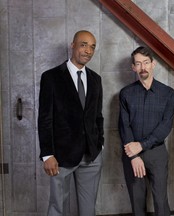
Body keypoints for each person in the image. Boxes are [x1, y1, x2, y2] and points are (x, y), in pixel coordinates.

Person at [38, 30, 104, 216]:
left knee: (88, 210)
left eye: (92, 47)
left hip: (91, 156)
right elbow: (45, 119)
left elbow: (97, 116)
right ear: (73, 45)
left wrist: (100, 144)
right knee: (58, 208)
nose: (88, 50)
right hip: (61, 157)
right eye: (83, 44)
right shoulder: (51, 77)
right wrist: (47, 154)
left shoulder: (96, 79)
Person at [118, 46, 174, 216]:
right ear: (133, 67)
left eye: (146, 63)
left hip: (157, 154)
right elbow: (124, 126)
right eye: (138, 64)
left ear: (153, 64)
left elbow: (165, 126)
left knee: (160, 202)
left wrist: (141, 146)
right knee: (137, 203)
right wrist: (134, 155)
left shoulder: (168, 93)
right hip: (132, 155)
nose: (143, 68)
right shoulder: (126, 93)